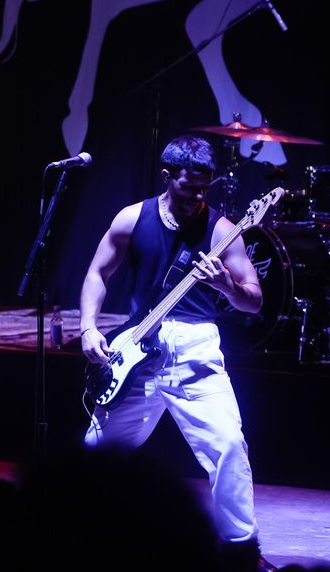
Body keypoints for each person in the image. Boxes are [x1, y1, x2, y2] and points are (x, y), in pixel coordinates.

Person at [78, 135, 265, 557]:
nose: (197, 196)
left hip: (196, 350)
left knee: (228, 446)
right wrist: (89, 327)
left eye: (205, 187)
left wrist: (226, 285)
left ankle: (241, 547)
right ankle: (81, 533)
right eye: (188, 187)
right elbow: (96, 274)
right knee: (97, 450)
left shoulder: (222, 230)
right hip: (138, 346)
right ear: (167, 176)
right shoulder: (132, 218)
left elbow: (254, 299)